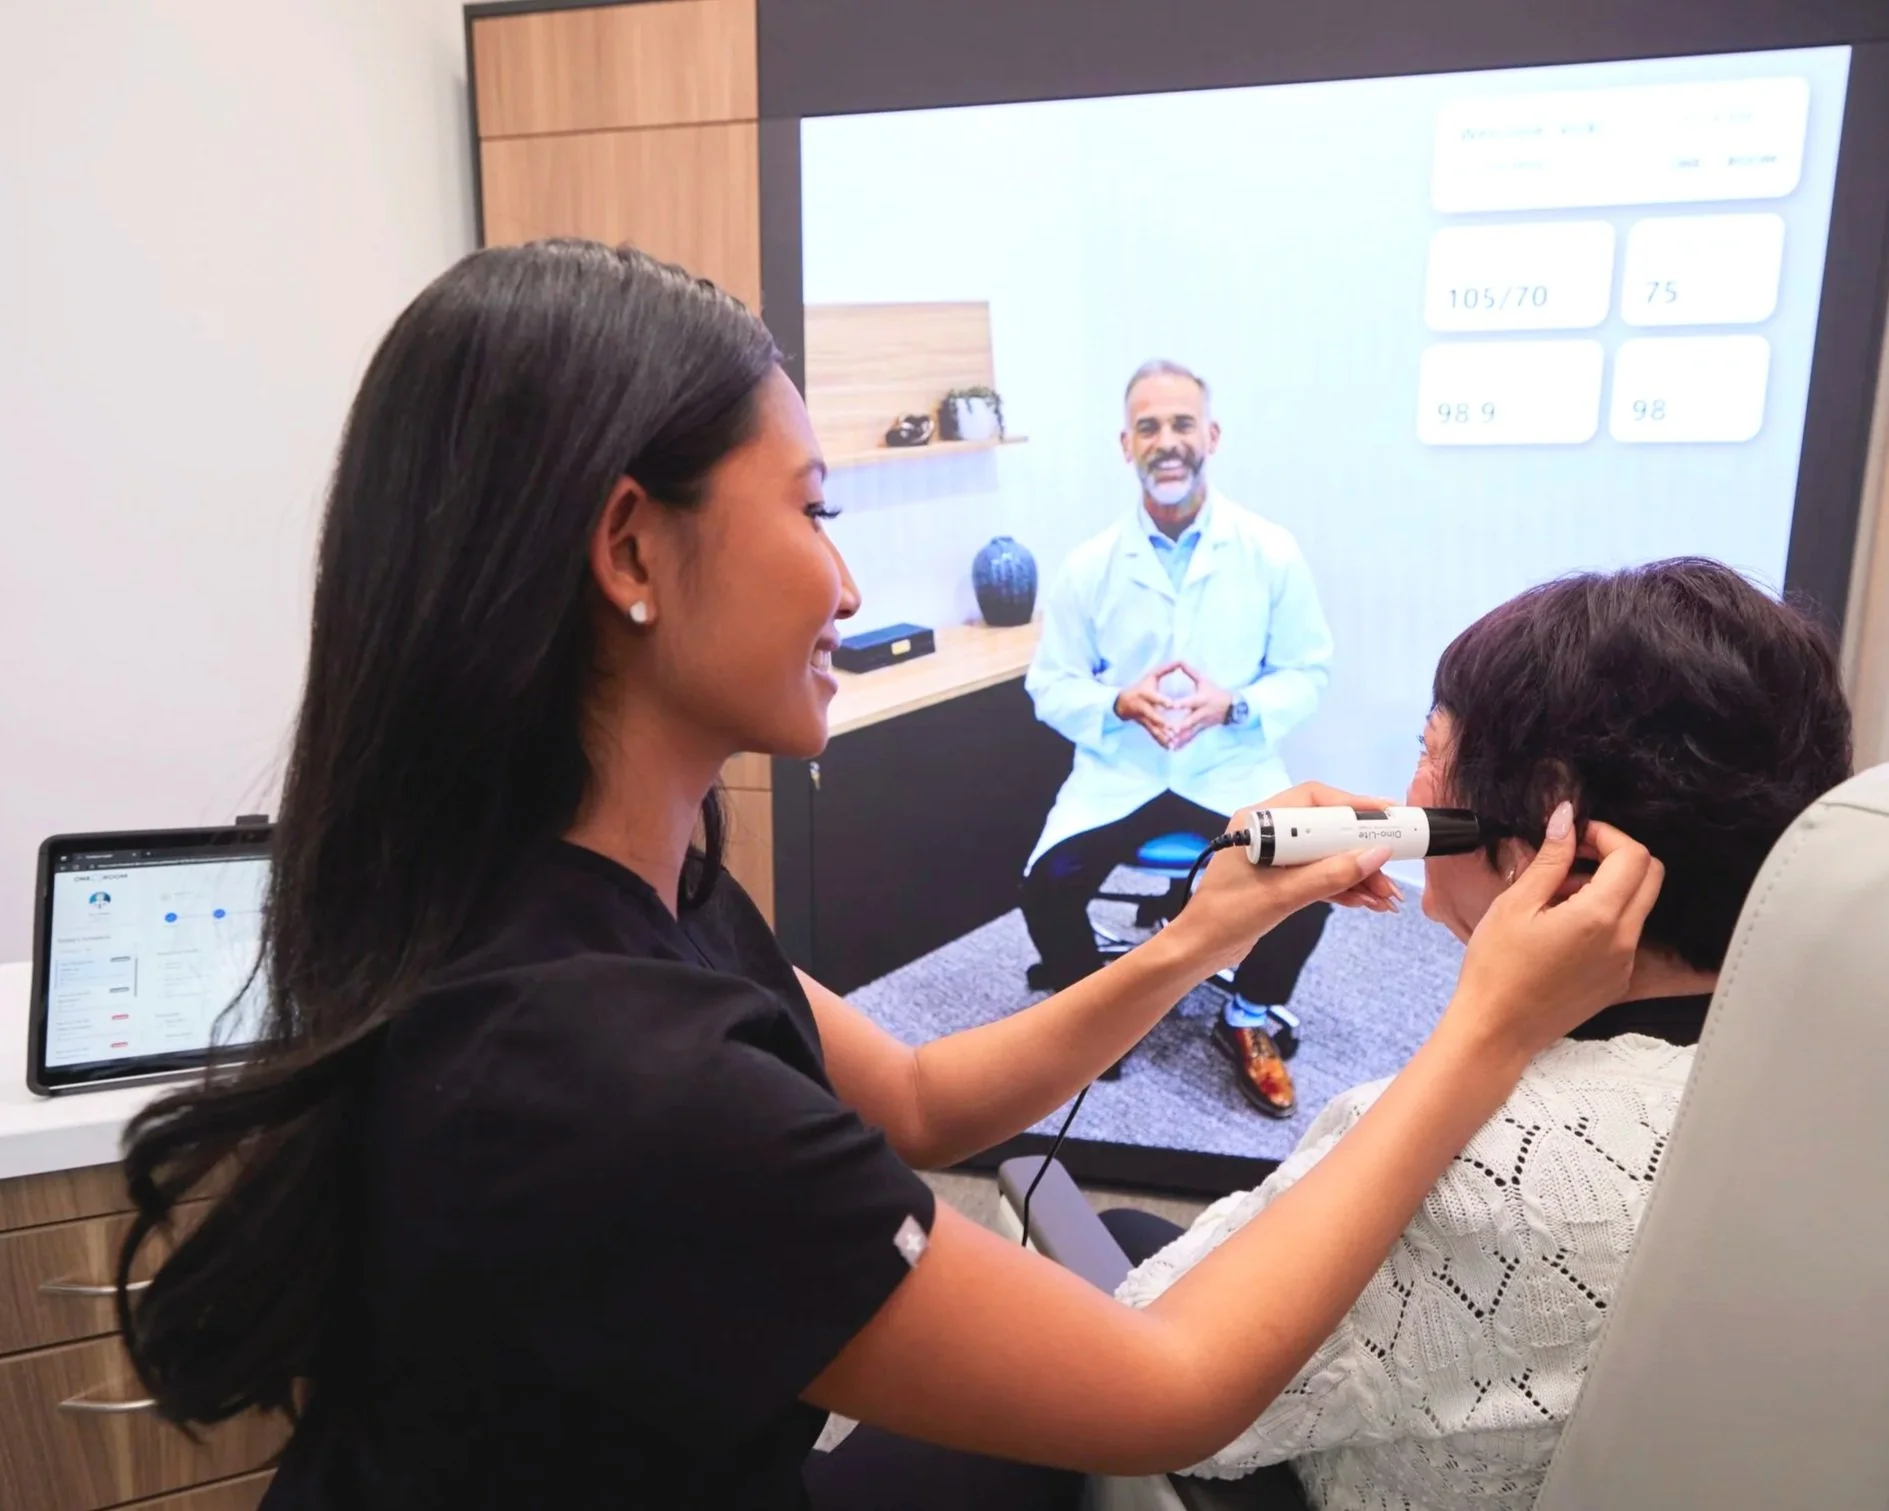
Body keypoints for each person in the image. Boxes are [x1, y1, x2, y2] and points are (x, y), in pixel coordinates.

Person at [114, 241, 1661, 1511]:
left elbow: (919, 1107)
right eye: (814, 510)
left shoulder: (612, 891)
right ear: (633, 554)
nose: (850, 583)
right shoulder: (611, 1074)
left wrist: (1209, 928)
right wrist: (1484, 1034)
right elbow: (1169, 1391)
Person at [1111, 559, 1853, 1511]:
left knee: (1103, 1248)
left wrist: (1468, 1033)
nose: (1407, 788)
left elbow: (1131, 1362)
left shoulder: (1455, 1166)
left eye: (1430, 747)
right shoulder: (1836, 1088)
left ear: (1553, 835)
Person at [1022, 360, 1334, 1113]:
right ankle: (1097, 1009)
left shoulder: (1269, 552)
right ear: (1124, 443)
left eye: (1181, 424)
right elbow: (1048, 684)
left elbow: (1307, 670)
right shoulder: (1088, 566)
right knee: (1047, 886)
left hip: (1229, 767)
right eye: (1148, 426)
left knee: (1315, 883)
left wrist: (1233, 706)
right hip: (1121, 772)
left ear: (1211, 436)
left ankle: (1248, 1014)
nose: (1166, 442)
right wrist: (1115, 704)